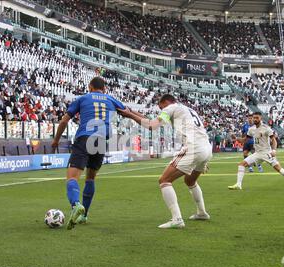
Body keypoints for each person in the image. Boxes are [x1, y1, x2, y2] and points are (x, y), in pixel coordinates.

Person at [118, 94, 212, 229]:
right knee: (190, 181)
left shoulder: (171, 108)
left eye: (161, 107)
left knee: (164, 180)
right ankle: (202, 212)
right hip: (206, 148)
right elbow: (151, 120)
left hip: (193, 147)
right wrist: (131, 111)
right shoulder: (186, 109)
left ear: (166, 102)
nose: (161, 110)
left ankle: (177, 219)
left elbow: (152, 126)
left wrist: (130, 116)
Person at [51, 77, 126, 230]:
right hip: (100, 140)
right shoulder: (110, 99)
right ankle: (84, 215)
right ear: (104, 89)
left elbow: (64, 121)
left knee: (72, 178)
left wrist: (56, 140)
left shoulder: (83, 98)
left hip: (85, 137)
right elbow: (127, 111)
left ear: (90, 87)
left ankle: (75, 205)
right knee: (90, 178)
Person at [228, 112, 284, 191]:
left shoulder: (266, 128)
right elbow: (244, 140)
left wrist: (274, 150)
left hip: (267, 153)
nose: (255, 119)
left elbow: (274, 140)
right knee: (241, 164)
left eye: (257, 118)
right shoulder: (251, 129)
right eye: (254, 118)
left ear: (261, 118)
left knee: (279, 169)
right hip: (257, 153)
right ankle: (238, 185)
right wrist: (236, 138)